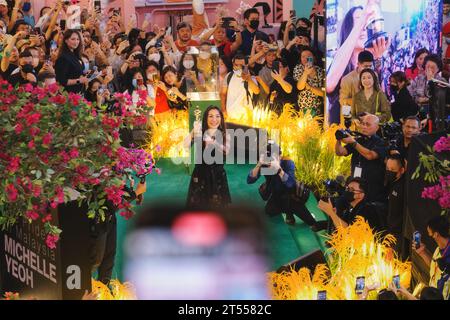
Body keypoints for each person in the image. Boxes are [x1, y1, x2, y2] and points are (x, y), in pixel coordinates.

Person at [326, 2, 390, 124]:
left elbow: (382, 100)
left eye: (367, 22)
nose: (364, 27)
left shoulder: (373, 64)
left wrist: (378, 59)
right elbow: (329, 84)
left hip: (367, 132)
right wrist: (363, 17)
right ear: (349, 28)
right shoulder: (340, 63)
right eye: (359, 20)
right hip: (340, 133)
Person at [247, 141, 320, 229]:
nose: (272, 160)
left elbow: (290, 184)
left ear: (280, 155)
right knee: (269, 211)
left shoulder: (288, 163)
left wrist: (279, 170)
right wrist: (259, 164)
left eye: (275, 157)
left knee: (312, 223)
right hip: (276, 194)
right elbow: (250, 180)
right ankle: (288, 212)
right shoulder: (265, 165)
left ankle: (291, 212)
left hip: (292, 196)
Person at [335, 113, 388, 203]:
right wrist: (339, 139)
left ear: (376, 128)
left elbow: (370, 155)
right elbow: (340, 152)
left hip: (372, 187)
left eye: (368, 124)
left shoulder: (381, 142)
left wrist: (354, 143)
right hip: (356, 185)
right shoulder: (358, 139)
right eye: (362, 123)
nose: (364, 126)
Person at [186, 105, 231, 209]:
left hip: (218, 175)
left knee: (218, 208)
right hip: (200, 174)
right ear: (206, 118)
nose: (214, 119)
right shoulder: (200, 132)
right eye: (210, 116)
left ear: (221, 118)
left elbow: (227, 151)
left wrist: (214, 142)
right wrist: (193, 131)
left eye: (217, 116)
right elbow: (185, 145)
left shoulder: (225, 133)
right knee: (199, 207)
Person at [317, 177, 385, 232]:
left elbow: (348, 232)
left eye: (352, 190)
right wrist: (334, 214)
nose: (348, 192)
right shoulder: (350, 207)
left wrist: (331, 213)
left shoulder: (367, 210)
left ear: (361, 195)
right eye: (347, 189)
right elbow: (343, 226)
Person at [413, 215, 450, 300]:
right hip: (432, 294)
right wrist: (422, 253)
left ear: (436, 234)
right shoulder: (438, 249)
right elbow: (434, 267)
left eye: (430, 232)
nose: (429, 234)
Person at [220, 53, 259, 120]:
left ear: (246, 65)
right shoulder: (229, 76)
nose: (238, 67)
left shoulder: (251, 76)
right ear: (233, 65)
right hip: (231, 115)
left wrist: (249, 79)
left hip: (246, 117)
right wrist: (223, 110)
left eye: (241, 65)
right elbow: (223, 94)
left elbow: (256, 91)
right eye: (236, 65)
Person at [408, 54, 447, 120]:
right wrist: (417, 99)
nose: (429, 69)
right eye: (428, 66)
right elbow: (410, 93)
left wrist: (430, 81)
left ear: (438, 69)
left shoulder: (441, 81)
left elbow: (436, 99)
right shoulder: (419, 78)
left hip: (433, 115)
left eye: (432, 67)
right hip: (416, 113)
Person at [339, 50, 374, 115]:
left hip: (371, 118)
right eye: (365, 66)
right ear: (358, 64)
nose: (368, 69)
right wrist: (347, 121)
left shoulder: (374, 76)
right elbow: (343, 101)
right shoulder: (347, 79)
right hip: (354, 119)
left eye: (370, 66)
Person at [385, 154, 406, 255]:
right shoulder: (391, 183)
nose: (389, 172)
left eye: (392, 170)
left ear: (401, 170)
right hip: (390, 231)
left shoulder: (403, 188)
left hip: (398, 235)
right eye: (387, 168)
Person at [294, 47, 325, 116]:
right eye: (303, 57)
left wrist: (309, 87)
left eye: (309, 57)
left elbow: (323, 93)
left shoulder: (319, 70)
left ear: (313, 58)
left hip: (317, 109)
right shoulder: (298, 68)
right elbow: (300, 87)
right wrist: (305, 73)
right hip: (303, 107)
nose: (305, 59)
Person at [55, 29, 88, 93]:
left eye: (78, 39)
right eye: (73, 39)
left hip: (79, 92)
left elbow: (75, 72)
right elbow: (62, 81)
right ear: (66, 40)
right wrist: (79, 80)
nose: (76, 42)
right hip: (69, 95)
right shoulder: (63, 58)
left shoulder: (75, 55)